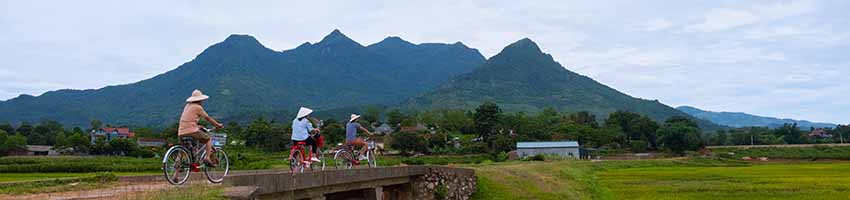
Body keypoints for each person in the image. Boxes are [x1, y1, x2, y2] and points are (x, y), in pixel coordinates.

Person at [178, 89, 224, 165]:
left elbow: (188, 120)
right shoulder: (198, 107)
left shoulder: (187, 106)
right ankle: (208, 158)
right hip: (192, 131)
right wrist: (218, 125)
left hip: (181, 132)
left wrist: (198, 126)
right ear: (200, 100)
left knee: (181, 152)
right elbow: (208, 118)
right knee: (208, 139)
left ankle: (175, 174)